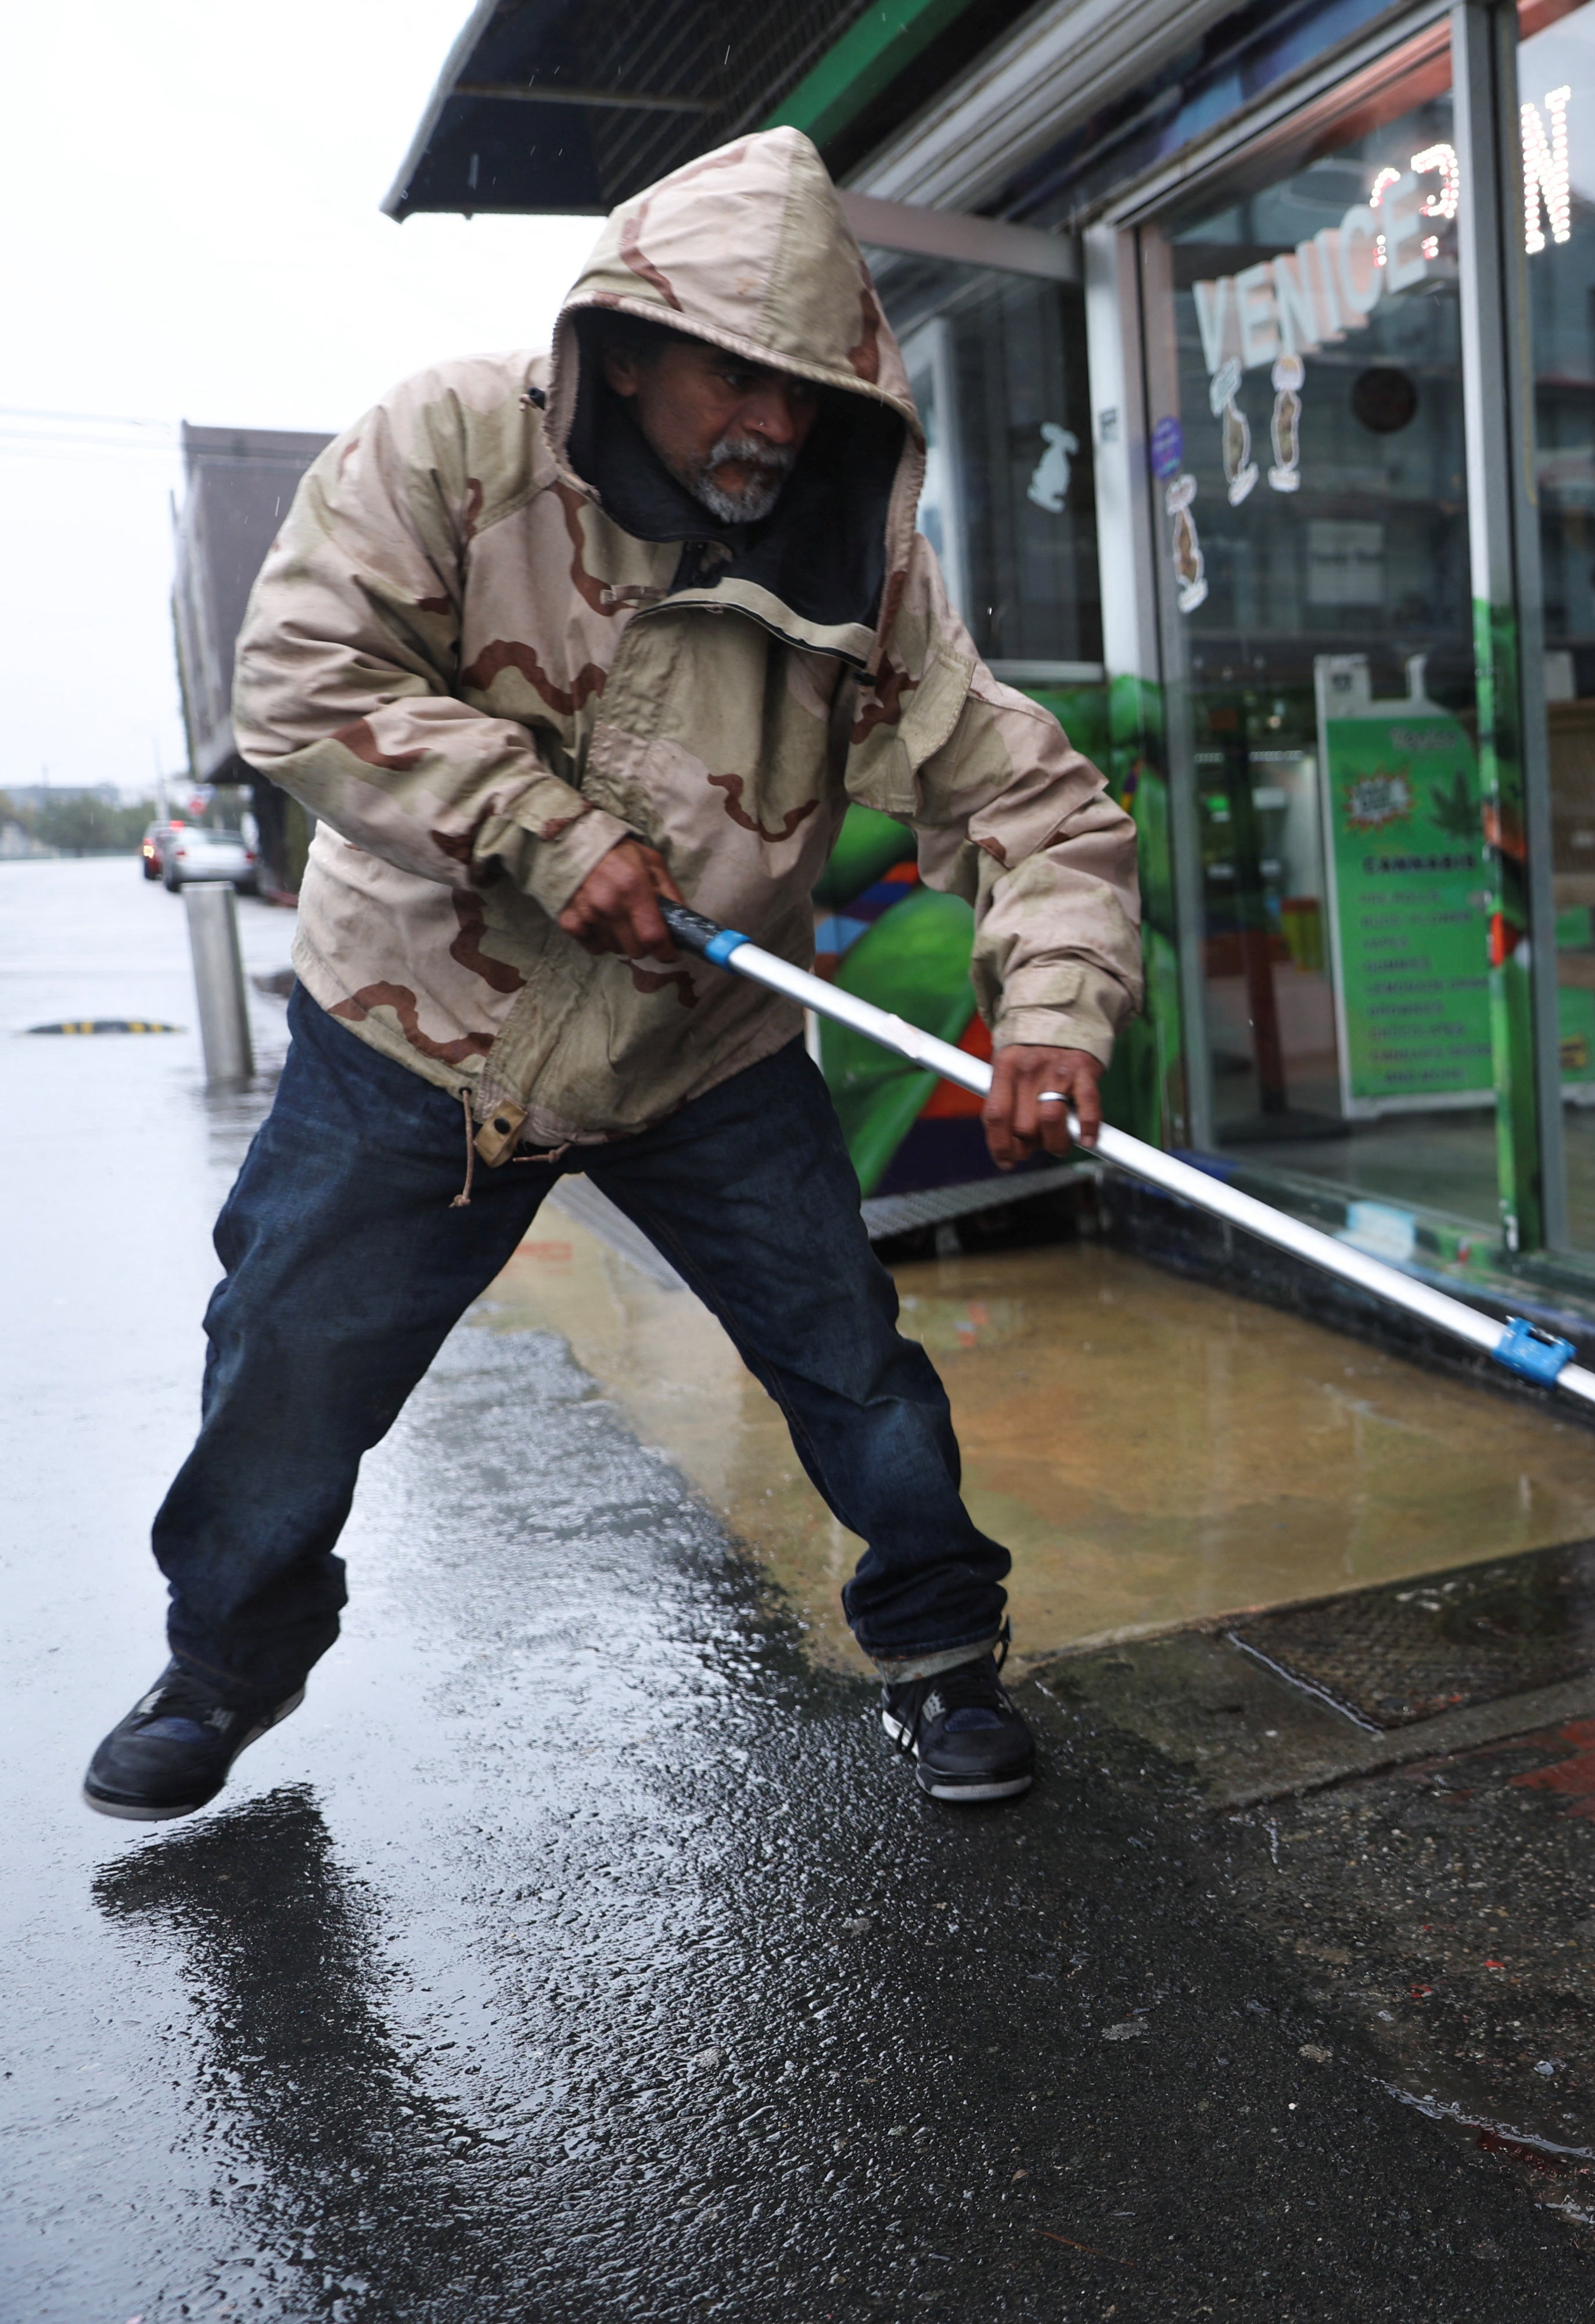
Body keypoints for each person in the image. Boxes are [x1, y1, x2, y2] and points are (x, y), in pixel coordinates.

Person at [82, 128, 1140, 1820]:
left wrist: (1053, 1014)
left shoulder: (854, 558)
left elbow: (1033, 800)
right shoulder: (449, 444)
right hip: (418, 1036)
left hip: (702, 1054)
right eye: (736, 377)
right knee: (286, 1364)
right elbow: (297, 677)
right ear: (626, 346)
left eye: (809, 391)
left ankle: (943, 1661)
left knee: (854, 1368)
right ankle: (223, 1669)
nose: (775, 428)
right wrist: (544, 832)